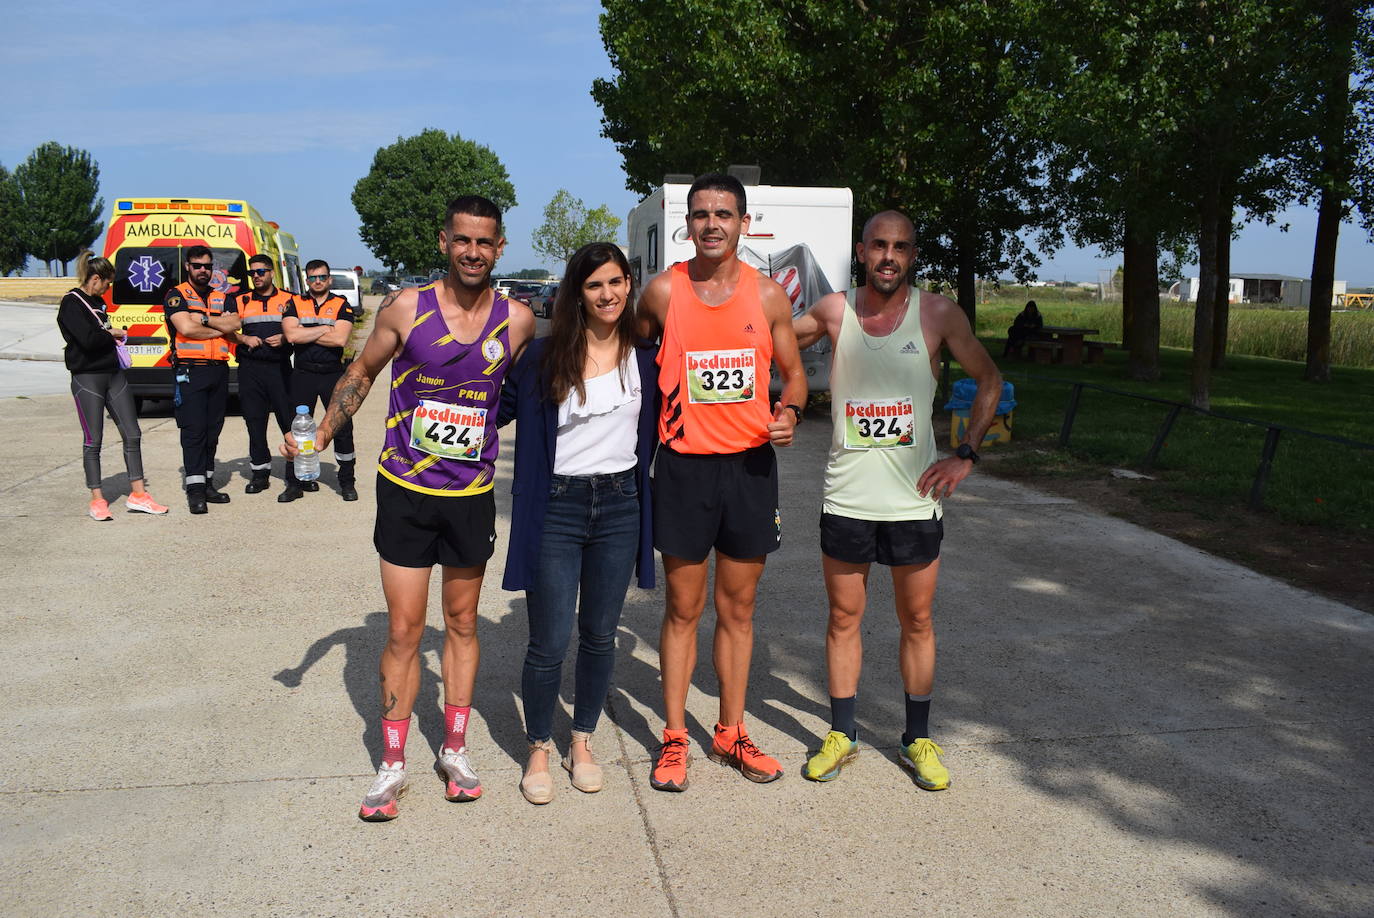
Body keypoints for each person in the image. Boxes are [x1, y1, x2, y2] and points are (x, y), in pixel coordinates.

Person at [282, 195, 534, 822]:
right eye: (462, 240)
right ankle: (391, 764)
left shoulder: (519, 322)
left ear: (499, 247)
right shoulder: (406, 308)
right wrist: (319, 435)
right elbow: (361, 374)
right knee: (402, 629)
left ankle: (454, 751)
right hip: (406, 490)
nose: (473, 252)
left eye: (485, 242)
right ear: (444, 241)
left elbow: (531, 395)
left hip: (472, 496)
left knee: (465, 624)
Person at [792, 210, 1002, 790]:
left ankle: (917, 738)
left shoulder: (936, 313)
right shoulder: (835, 311)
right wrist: (779, 401)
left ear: (913, 255)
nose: (889, 256)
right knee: (842, 619)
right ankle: (842, 734)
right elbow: (770, 342)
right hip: (847, 498)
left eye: (900, 247)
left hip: (913, 501)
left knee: (917, 619)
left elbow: (990, 378)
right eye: (879, 245)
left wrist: (966, 453)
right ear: (862, 251)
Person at [635, 173, 807, 791]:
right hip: (683, 469)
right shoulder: (661, 292)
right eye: (702, 214)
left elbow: (795, 377)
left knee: (739, 608)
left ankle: (731, 730)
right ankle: (675, 737)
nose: (713, 224)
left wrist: (788, 413)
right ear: (687, 223)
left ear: (744, 222)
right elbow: (629, 364)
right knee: (684, 608)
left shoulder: (767, 297)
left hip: (750, 470)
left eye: (724, 214)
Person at [497, 242, 659, 804]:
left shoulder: (647, 356)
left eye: (615, 282)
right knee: (549, 640)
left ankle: (582, 739)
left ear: (629, 285)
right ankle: (539, 745)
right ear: (578, 293)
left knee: (599, 634)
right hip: (557, 509)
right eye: (595, 285)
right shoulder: (544, 358)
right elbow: (487, 410)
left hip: (621, 505)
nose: (607, 294)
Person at [58, 252, 168, 519]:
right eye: (107, 284)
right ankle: (97, 499)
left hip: (114, 374)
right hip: (87, 377)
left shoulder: (97, 302)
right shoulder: (71, 303)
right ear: (95, 278)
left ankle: (139, 495)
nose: (108, 290)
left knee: (133, 433)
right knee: (93, 440)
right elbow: (88, 340)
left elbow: (99, 337)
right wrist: (112, 333)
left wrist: (110, 334)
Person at [164, 244, 240, 514]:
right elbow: (185, 327)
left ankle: (207, 484)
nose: (203, 271)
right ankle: (195, 491)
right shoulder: (177, 295)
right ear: (188, 267)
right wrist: (217, 327)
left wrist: (204, 320)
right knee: (194, 432)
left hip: (218, 370)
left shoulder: (223, 296)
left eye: (208, 266)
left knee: (212, 431)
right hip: (190, 371)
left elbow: (235, 324)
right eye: (198, 266)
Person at [280, 259, 361, 502]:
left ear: (329, 279)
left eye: (322, 277)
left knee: (343, 428)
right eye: (313, 277)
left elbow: (340, 340)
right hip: (303, 373)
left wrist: (306, 332)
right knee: (296, 429)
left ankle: (347, 481)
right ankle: (294, 483)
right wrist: (325, 329)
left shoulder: (341, 304)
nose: (317, 281)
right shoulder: (293, 302)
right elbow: (291, 334)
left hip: (332, 373)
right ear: (307, 280)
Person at [226, 254, 296, 494]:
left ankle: (296, 472)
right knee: (255, 422)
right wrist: (244, 338)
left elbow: (303, 329)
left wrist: (286, 337)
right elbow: (225, 330)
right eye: (252, 273)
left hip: (280, 368)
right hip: (250, 369)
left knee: (289, 422)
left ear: (271, 272)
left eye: (261, 272)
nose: (256, 276)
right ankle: (260, 473)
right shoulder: (239, 300)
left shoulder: (290, 299)